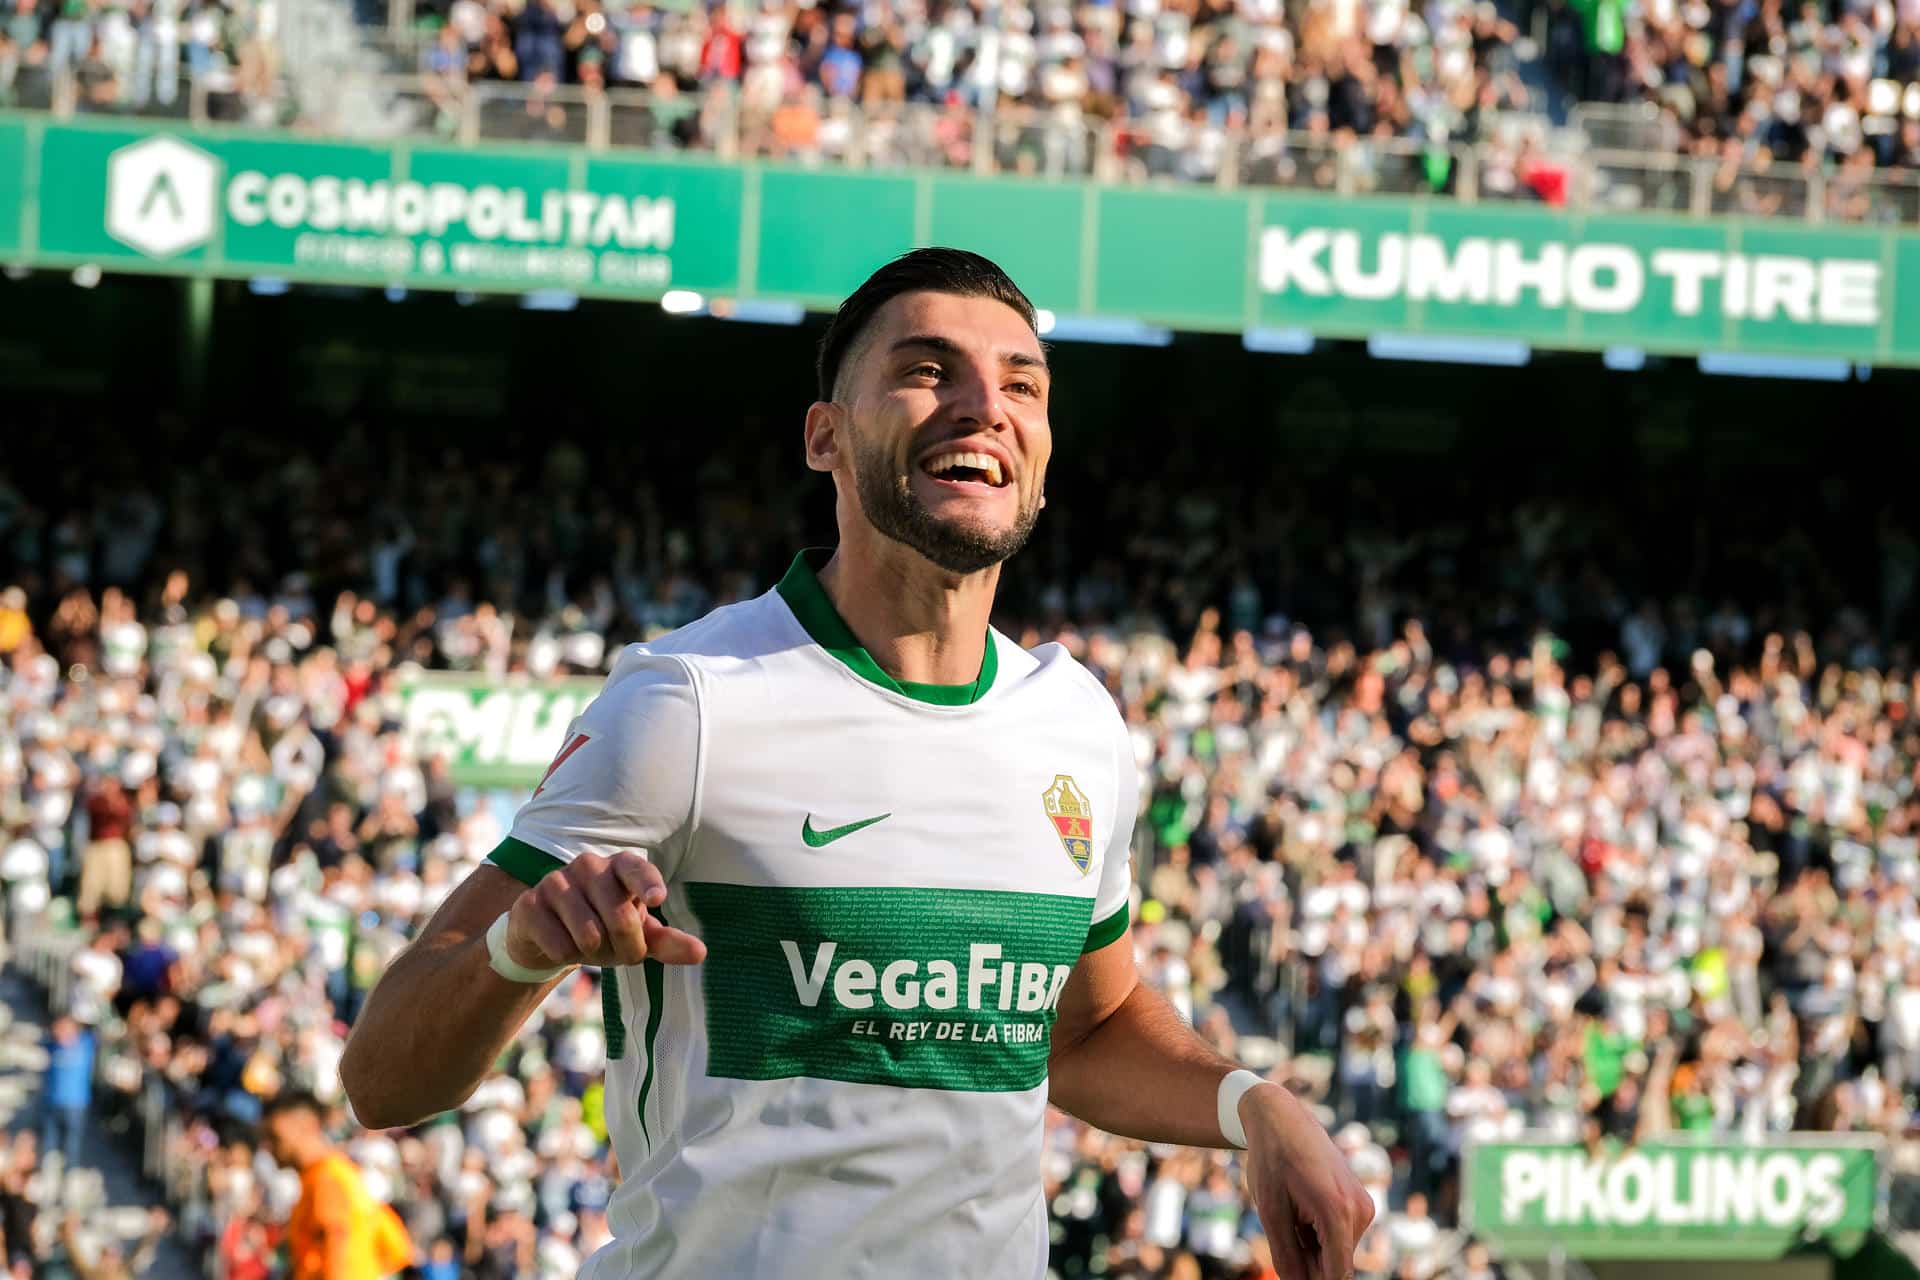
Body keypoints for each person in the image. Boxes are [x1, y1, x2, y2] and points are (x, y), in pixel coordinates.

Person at [341, 248, 1372, 1279]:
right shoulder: (687, 700)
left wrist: (1255, 1105)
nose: (983, 406)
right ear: (824, 435)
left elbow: (1088, 1029)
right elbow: (383, 1077)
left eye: (1022, 383)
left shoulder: (1077, 723)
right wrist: (521, 950)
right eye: (928, 370)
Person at [259, 1092, 413, 1280]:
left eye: (273, 1136)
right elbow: (393, 1247)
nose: (268, 1146)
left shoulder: (327, 1180)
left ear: (307, 1125)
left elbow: (339, 1249)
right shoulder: (334, 1174)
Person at [41, 1015, 95, 1171]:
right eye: (58, 1028)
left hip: (77, 1103)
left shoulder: (86, 1043)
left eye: (66, 1028)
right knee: (50, 1141)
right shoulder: (51, 1045)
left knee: (72, 1141)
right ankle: (49, 1173)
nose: (62, 1033)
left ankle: (70, 1172)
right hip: (52, 1101)